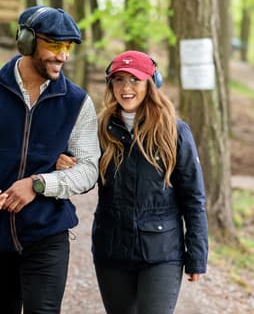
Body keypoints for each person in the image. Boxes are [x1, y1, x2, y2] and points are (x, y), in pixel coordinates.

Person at [0, 5, 100, 314]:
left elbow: (88, 170)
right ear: (27, 41)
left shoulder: (77, 102)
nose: (63, 56)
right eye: (54, 45)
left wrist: (40, 184)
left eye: (67, 47)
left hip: (47, 235)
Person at [56, 50, 208, 314]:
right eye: (119, 80)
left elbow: (194, 198)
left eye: (134, 80)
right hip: (111, 250)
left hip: (162, 252)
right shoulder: (99, 129)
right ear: (110, 84)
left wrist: (197, 256)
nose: (126, 88)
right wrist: (64, 162)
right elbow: (83, 173)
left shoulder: (175, 131)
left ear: (151, 84)